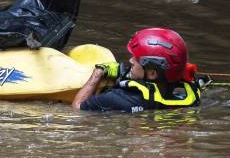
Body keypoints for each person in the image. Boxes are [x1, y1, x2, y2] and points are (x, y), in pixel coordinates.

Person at [72, 27, 209, 112]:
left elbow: (77, 108)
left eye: (136, 59)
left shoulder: (117, 99)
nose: (131, 61)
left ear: (152, 73)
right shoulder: (190, 97)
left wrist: (98, 73)